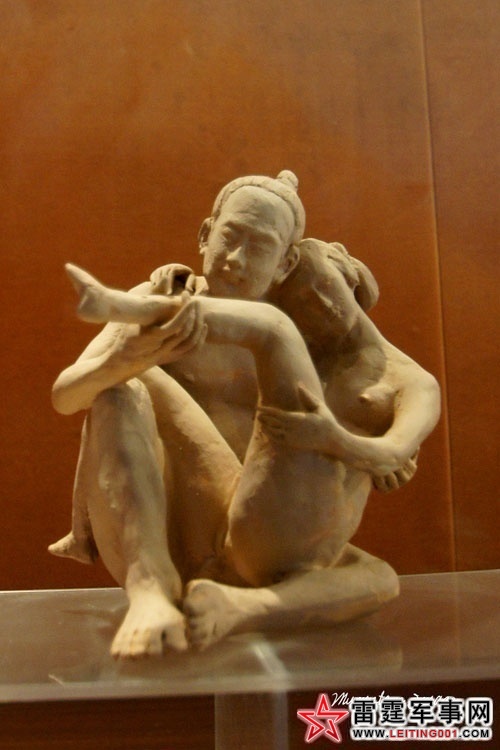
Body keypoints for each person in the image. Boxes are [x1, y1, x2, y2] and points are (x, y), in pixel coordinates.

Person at [50, 172, 440, 657]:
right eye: (229, 237)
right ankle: (150, 587)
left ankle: (240, 607)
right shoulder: (163, 301)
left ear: (285, 263)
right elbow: (66, 395)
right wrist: (120, 361)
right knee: (119, 389)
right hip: (175, 528)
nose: (236, 260)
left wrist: (378, 451)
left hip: (263, 534)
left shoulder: (306, 335)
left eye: (260, 248)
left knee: (378, 579)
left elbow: (360, 405)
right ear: (204, 234)